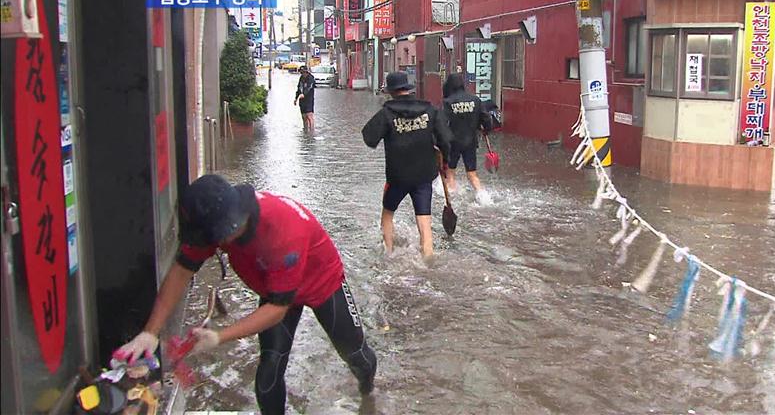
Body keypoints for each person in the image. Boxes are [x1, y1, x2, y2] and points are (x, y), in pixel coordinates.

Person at [113, 175, 376, 414]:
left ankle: (369, 395)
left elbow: (277, 310)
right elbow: (181, 271)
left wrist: (219, 336)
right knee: (267, 376)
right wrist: (150, 331)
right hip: (274, 289)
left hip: (321, 284)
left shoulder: (282, 231)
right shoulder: (214, 221)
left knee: (357, 357)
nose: (218, 245)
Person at [362, 72, 453, 263]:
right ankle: (428, 259)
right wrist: (444, 163)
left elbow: (369, 138)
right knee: (424, 219)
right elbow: (446, 140)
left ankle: (388, 254)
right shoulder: (430, 110)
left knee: (387, 213)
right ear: (409, 88)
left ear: (391, 92)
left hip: (397, 177)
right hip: (424, 175)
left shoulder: (386, 113)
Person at [441, 73, 493, 202]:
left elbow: (441, 123)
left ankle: (452, 196)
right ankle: (483, 197)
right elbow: (486, 118)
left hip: (453, 143)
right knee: (472, 173)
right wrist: (486, 129)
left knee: (450, 172)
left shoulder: (447, 102)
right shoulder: (475, 100)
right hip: (470, 142)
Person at [294, 65, 316, 130]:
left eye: (304, 72)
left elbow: (309, 87)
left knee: (309, 115)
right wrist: (296, 98)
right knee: (304, 116)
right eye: (301, 72)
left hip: (309, 100)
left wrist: (304, 94)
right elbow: (298, 88)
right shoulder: (301, 78)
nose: (303, 74)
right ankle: (305, 130)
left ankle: (312, 131)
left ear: (307, 72)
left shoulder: (311, 78)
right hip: (302, 100)